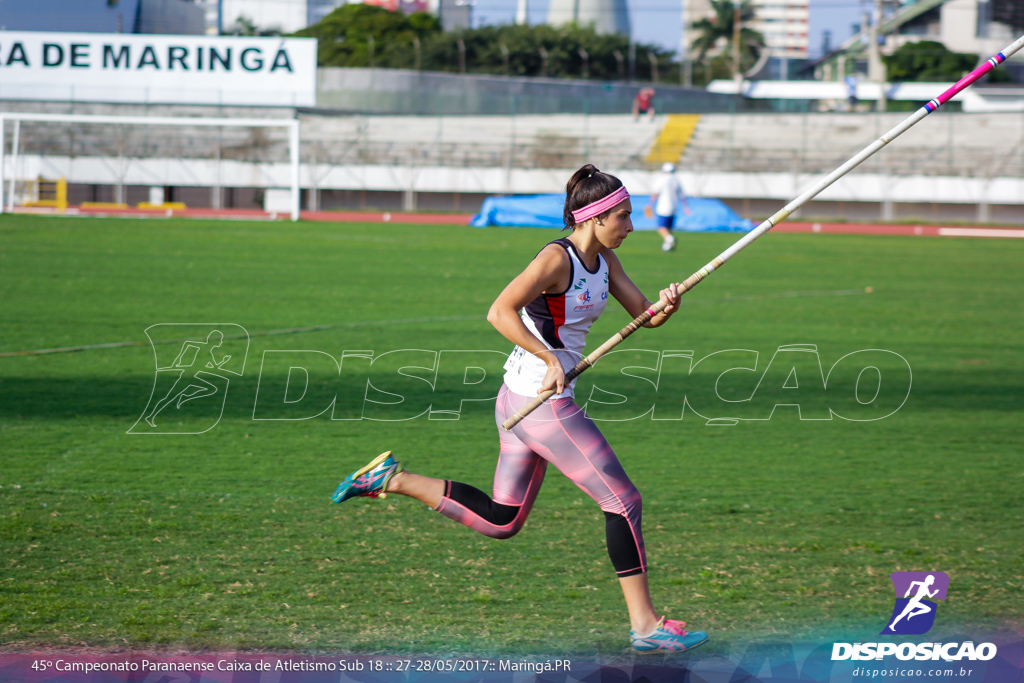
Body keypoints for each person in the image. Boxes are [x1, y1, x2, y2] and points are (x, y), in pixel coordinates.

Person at [331, 164, 708, 654]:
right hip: (539, 402)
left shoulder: (607, 261)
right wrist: (550, 357)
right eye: (623, 217)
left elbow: (642, 315)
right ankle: (645, 627)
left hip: (520, 399)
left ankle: (391, 479)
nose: (631, 226)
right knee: (622, 501)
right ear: (593, 219)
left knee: (503, 520)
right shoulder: (557, 259)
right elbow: (499, 311)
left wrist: (666, 306)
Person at [646, 162, 690, 252]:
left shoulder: (662, 179)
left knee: (661, 227)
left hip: (663, 207)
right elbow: (682, 195)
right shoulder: (676, 180)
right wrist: (686, 207)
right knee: (669, 228)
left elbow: (655, 193)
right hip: (674, 207)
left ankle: (669, 239)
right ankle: (668, 246)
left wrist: (650, 204)